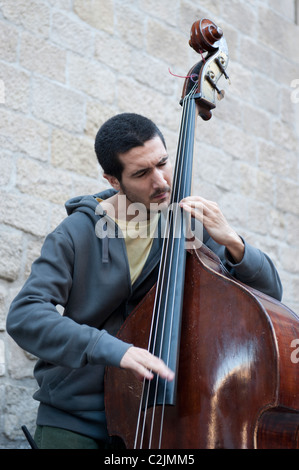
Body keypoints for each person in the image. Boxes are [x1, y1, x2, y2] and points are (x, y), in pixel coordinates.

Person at [6, 113, 282, 449]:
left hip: (159, 418)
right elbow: (25, 316)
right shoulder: (75, 234)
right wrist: (113, 350)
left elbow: (267, 298)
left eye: (163, 163)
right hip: (76, 417)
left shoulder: (188, 229)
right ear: (114, 180)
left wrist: (234, 242)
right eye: (142, 173)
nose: (162, 182)